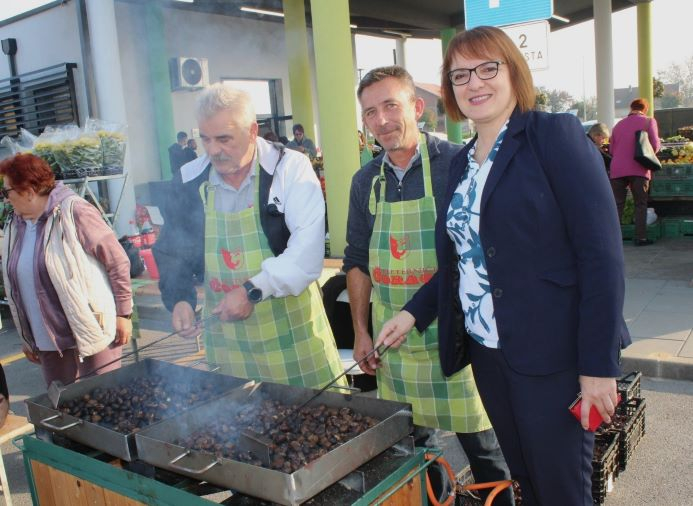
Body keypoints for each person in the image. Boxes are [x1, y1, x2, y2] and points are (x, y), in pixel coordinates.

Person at [374, 27, 629, 506]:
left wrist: (598, 367)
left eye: (489, 68)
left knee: (563, 492)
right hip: (490, 355)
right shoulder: (462, 163)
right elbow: (462, 262)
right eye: (461, 75)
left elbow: (602, 258)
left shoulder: (553, 136)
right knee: (528, 484)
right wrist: (411, 314)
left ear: (514, 71)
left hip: (554, 358)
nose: (475, 83)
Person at [344, 65, 512, 504]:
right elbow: (357, 261)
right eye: (370, 113)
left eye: (390, 106)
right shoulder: (365, 182)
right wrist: (360, 331)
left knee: (483, 445)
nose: (381, 120)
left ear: (417, 108)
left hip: (457, 334)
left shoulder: (458, 163)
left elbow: (472, 253)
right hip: (393, 344)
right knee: (417, 449)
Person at [153, 84, 345, 388]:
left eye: (224, 138)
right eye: (205, 138)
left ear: (252, 130)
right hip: (228, 343)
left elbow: (307, 253)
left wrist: (253, 290)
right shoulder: (189, 179)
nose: (213, 149)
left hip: (292, 335)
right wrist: (179, 299)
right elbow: (172, 251)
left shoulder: (289, 169)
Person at [0, 153, 133, 389]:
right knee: (64, 412)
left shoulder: (75, 212)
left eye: (7, 192)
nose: (5, 199)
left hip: (93, 332)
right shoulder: (15, 225)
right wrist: (27, 338)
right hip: (48, 342)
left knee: (103, 405)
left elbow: (117, 261)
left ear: (28, 191)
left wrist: (124, 314)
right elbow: (18, 287)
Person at [610, 98, 660, 246]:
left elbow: (612, 150)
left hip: (617, 169)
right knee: (640, 203)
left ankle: (614, 240)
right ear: (645, 109)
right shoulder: (648, 122)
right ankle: (640, 238)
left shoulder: (617, 125)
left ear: (631, 108)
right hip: (638, 167)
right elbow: (655, 147)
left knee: (617, 204)